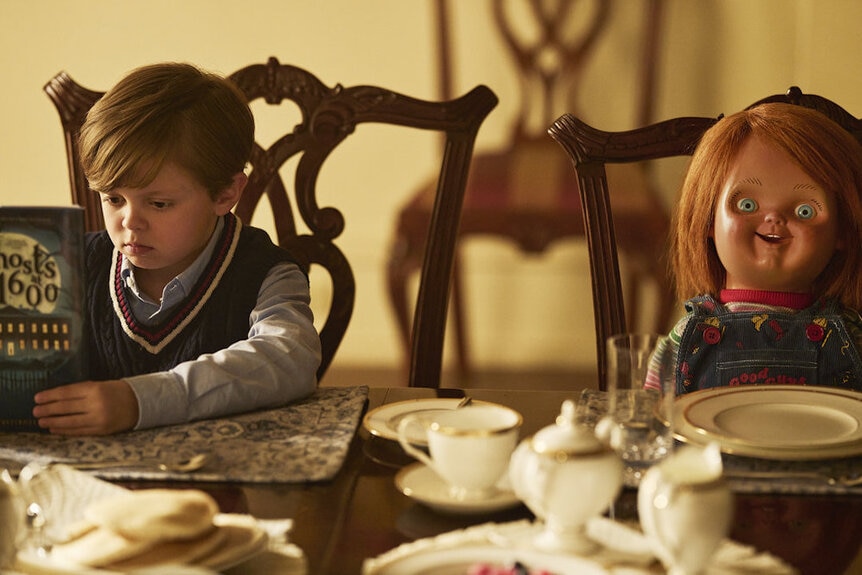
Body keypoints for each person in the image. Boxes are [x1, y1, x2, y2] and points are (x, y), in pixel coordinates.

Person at [32, 63, 322, 435]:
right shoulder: (72, 266)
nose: (130, 222)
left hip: (227, 481)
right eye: (113, 198)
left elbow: (290, 358)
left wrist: (141, 400)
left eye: (159, 204)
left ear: (225, 194)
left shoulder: (265, 273)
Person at [648, 102, 862, 394]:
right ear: (708, 220)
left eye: (805, 211)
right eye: (746, 205)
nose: (774, 219)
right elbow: (650, 420)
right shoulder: (687, 337)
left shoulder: (852, 336)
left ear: (843, 231)